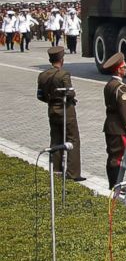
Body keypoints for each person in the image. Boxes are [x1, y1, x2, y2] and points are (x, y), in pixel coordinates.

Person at [36, 46, 84, 181]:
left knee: (56, 139)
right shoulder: (64, 74)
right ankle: (73, 173)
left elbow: (40, 95)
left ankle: (56, 170)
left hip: (52, 110)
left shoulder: (42, 75)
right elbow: (70, 92)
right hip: (65, 111)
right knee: (72, 139)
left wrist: (51, 100)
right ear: (61, 60)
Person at [102, 52, 126, 188]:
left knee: (112, 155)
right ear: (119, 70)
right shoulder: (120, 87)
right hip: (118, 127)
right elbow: (124, 110)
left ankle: (112, 184)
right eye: (124, 67)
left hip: (109, 125)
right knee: (118, 158)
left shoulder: (109, 84)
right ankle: (116, 185)